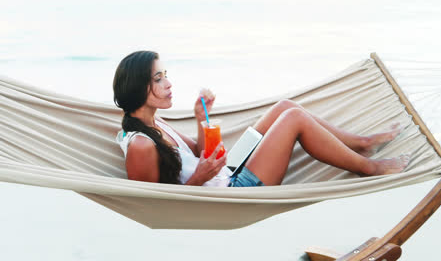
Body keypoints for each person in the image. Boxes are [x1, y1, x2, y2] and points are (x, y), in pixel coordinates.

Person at [113, 51, 410, 187]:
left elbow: (197, 152)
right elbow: (159, 203)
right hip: (232, 189)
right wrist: (201, 177)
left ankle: (362, 143)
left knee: (284, 107)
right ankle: (369, 168)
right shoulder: (140, 144)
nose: (168, 84)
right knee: (293, 118)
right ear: (139, 87)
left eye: (166, 76)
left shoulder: (153, 123)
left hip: (226, 171)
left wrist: (201, 118)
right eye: (159, 78)